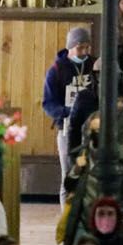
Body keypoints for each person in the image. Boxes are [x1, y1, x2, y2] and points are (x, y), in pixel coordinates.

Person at [43, 26, 97, 182]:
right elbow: (49, 102)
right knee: (69, 174)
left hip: (92, 125)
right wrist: (67, 111)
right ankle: (67, 206)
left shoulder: (94, 65)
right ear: (70, 48)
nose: (85, 52)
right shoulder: (57, 70)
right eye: (80, 48)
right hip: (67, 126)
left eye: (87, 47)